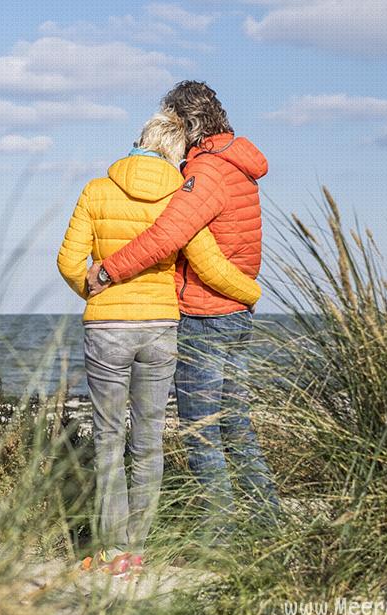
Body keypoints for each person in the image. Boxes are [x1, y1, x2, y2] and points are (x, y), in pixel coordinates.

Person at [57, 110, 261, 574]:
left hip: (106, 328)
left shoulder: (96, 189)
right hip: (161, 329)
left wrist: (93, 291)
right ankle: (138, 551)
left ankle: (111, 549)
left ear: (140, 140)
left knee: (108, 438)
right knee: (147, 440)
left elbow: (69, 260)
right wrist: (251, 292)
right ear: (175, 151)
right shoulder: (177, 197)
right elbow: (209, 265)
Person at [87, 81, 280, 543]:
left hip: (204, 315)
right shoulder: (238, 166)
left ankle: (220, 540)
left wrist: (108, 273)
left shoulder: (207, 173)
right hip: (234, 314)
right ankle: (268, 526)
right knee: (235, 424)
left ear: (186, 124)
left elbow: (167, 236)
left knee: (201, 433)